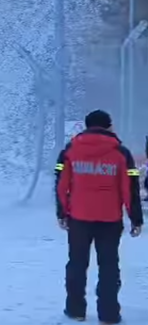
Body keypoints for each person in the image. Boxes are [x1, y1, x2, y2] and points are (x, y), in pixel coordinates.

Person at [55, 110, 143, 324]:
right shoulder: (121, 153)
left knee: (76, 263)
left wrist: (62, 212)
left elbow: (61, 184)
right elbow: (129, 188)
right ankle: (109, 314)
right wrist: (136, 218)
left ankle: (75, 310)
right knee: (109, 265)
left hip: (78, 218)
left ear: (87, 126)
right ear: (109, 126)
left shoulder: (70, 150)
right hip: (109, 219)